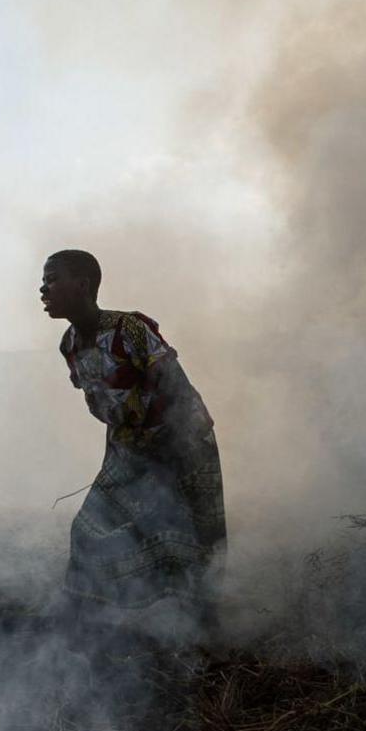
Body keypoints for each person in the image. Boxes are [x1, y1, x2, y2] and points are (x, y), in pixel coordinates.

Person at [40, 249, 225, 632]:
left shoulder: (131, 329)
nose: (43, 288)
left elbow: (174, 385)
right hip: (127, 451)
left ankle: (206, 633)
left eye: (52, 278)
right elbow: (106, 404)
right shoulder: (69, 344)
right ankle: (85, 624)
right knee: (88, 529)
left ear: (83, 284)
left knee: (193, 539)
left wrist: (172, 457)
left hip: (181, 444)